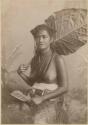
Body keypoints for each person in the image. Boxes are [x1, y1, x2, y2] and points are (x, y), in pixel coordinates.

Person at [2, 24, 68, 124]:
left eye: (44, 37)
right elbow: (33, 82)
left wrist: (42, 98)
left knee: (38, 121)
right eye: (37, 37)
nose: (40, 40)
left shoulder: (57, 59)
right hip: (33, 99)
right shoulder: (35, 59)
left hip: (51, 102)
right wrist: (21, 73)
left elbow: (64, 87)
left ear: (51, 39)